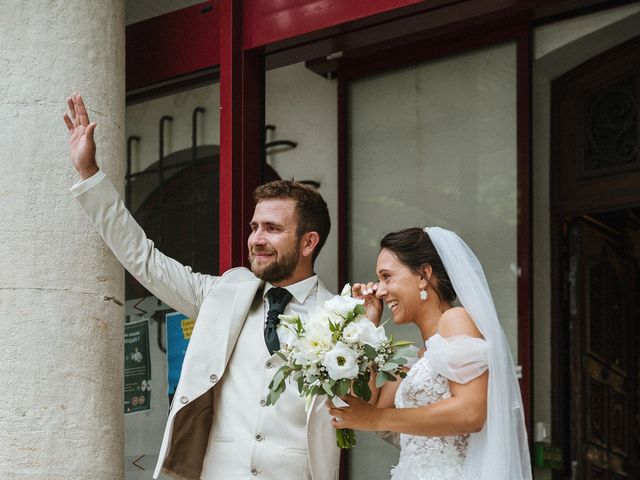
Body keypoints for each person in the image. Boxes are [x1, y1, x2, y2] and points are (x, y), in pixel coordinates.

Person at [63, 94, 340, 480]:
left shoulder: (342, 319)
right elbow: (144, 259)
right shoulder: (223, 294)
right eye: (254, 227)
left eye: (272, 229)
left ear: (309, 242)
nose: (256, 239)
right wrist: (90, 174)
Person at [328, 227, 532, 480]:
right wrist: (366, 326)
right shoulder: (421, 356)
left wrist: (378, 419)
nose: (380, 291)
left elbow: (471, 412)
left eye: (387, 277)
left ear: (423, 275)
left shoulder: (456, 320)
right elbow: (371, 403)